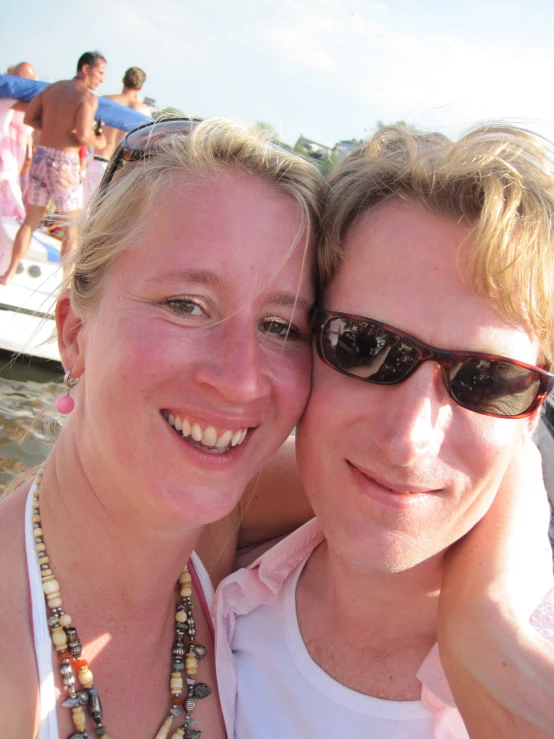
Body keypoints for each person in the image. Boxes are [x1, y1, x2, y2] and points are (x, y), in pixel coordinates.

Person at [214, 124, 554, 738]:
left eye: (486, 379)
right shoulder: (205, 582)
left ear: (530, 410)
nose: (409, 439)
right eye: (365, 347)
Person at [0, 117, 321, 738]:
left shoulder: (214, 527)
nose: (241, 380)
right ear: (75, 332)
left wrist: (483, 612)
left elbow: (430, 472)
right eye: (185, 304)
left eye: (281, 327)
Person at [0, 51, 107, 284]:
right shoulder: (88, 98)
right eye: (100, 73)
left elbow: (29, 119)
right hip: (64, 166)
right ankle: (66, 285)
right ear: (86, 68)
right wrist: (100, 141)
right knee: (72, 228)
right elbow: (83, 134)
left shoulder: (50, 89)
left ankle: (8, 273)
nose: (101, 79)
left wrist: (50, 128)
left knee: (30, 221)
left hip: (41, 158)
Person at [83, 66, 152, 206]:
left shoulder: (105, 101)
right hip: (120, 169)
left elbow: (88, 129)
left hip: (96, 161)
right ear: (140, 87)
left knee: (84, 213)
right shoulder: (144, 111)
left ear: (123, 80)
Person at [0, 61, 37, 219]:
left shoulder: (27, 103)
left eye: (28, 80)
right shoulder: (5, 99)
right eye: (20, 78)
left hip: (16, 169)